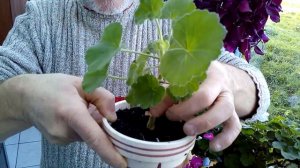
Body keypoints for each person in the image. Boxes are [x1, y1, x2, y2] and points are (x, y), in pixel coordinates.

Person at [0, 0, 270, 167]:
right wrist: (21, 96)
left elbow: (256, 89)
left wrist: (230, 82)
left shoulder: (171, 17)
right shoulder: (40, 19)